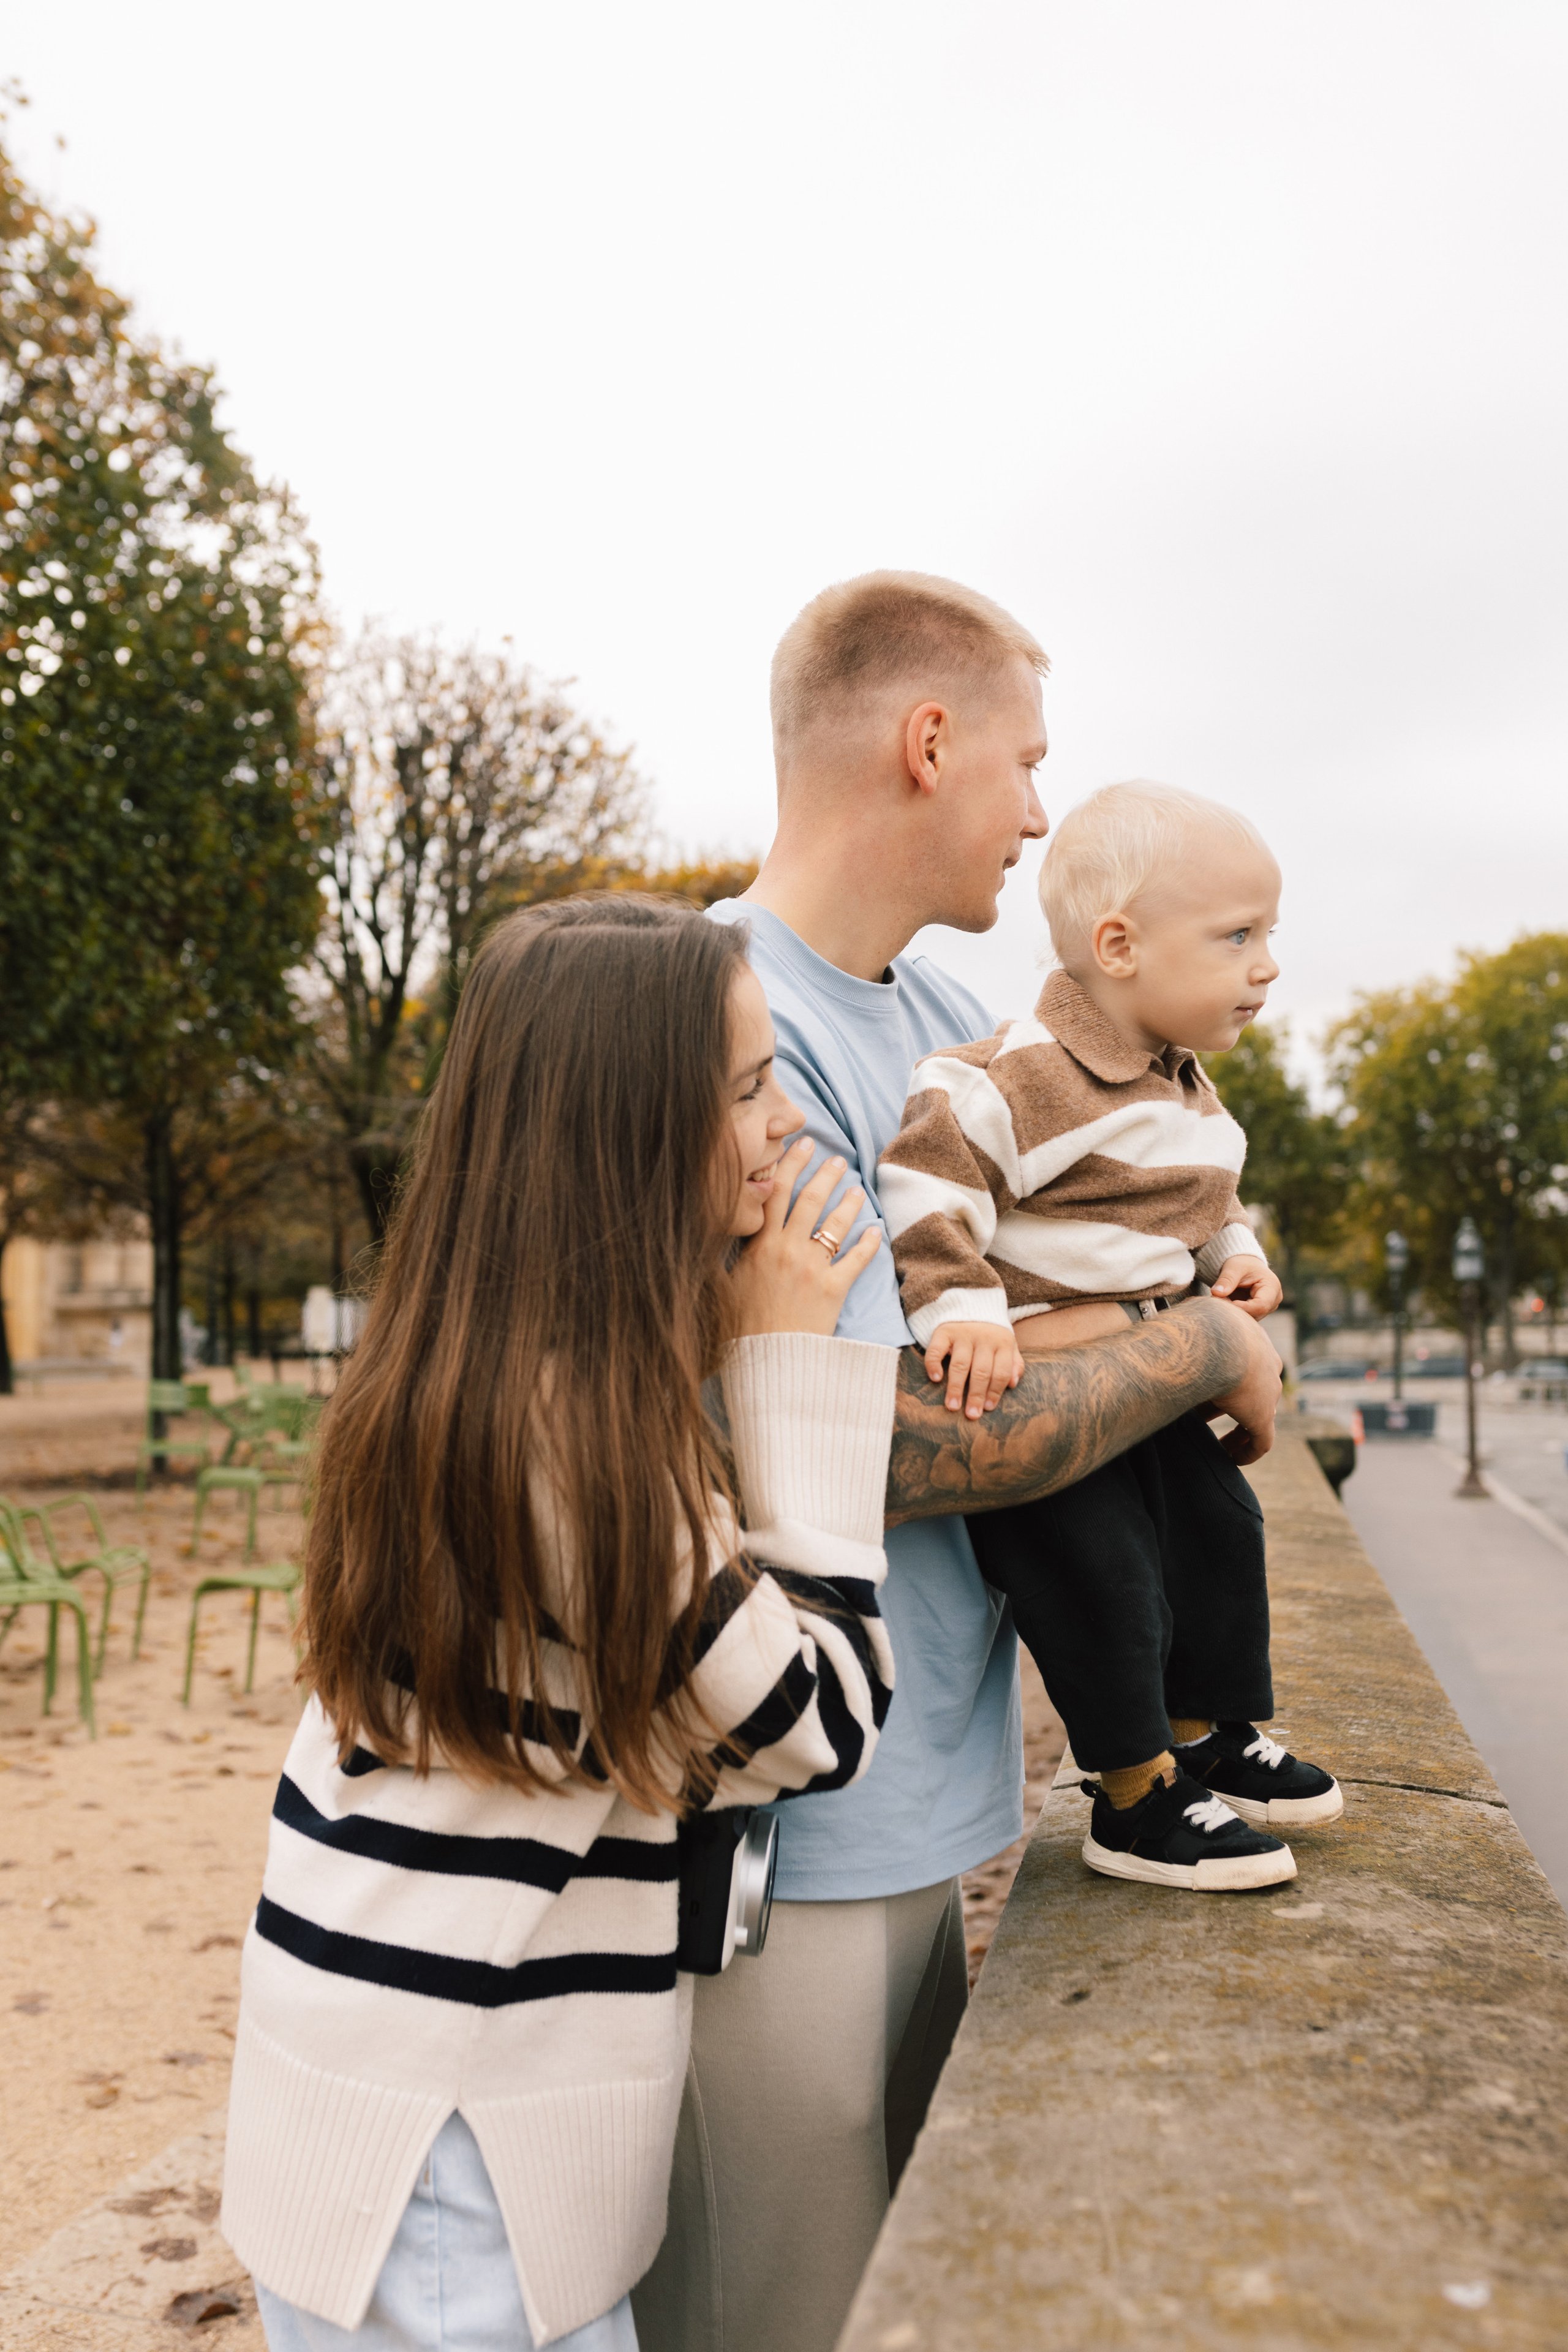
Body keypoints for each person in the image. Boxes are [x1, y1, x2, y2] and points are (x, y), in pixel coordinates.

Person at [631, 574, 1284, 2352]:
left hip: (940, 1795)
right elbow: (895, 1439)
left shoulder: (943, 1004)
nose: (1044, 811)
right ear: (930, 745)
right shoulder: (718, 1027)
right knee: (780, 2310)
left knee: (897, 2297)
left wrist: (1214, 1264)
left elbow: (1088, 1216)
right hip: (794, 1828)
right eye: (1025, 761)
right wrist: (1210, 1350)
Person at [221, 897, 903, 2352]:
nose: (785, 1125)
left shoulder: (473, 1371)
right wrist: (793, 1370)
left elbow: (672, 1727)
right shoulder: (582, 1450)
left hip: (384, 2083)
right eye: (743, 1087)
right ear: (628, 1131)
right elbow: (818, 1721)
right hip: (455, 2161)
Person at [878, 780, 1343, 1896]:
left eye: (1268, 935)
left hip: (1150, 1388)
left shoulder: (1188, 1093)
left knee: (1221, 1529)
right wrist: (969, 1315)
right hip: (1045, 1398)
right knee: (1102, 1582)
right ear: (1119, 946)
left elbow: (1200, 1205)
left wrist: (1236, 1255)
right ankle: (1132, 1796)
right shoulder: (1016, 1073)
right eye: (1238, 936)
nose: (1267, 965)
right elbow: (928, 1187)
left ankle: (1202, 1733)